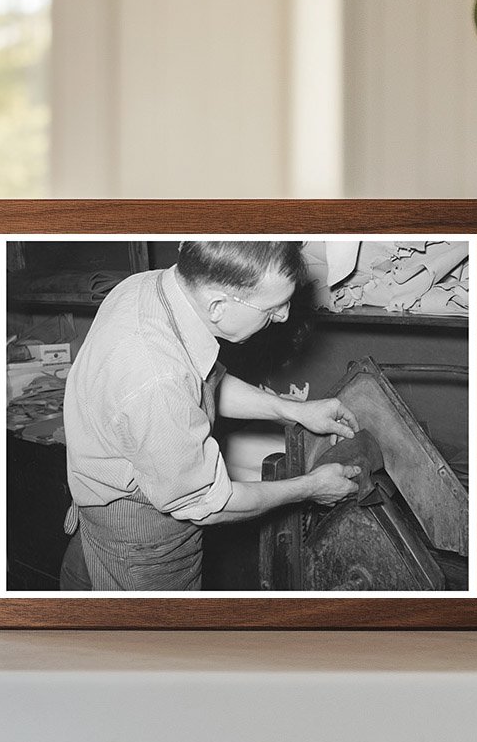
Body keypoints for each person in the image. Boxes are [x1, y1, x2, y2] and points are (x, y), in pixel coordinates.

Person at [59, 240, 362, 591]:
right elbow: (211, 504)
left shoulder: (149, 287)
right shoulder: (157, 378)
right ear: (218, 305)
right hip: (142, 538)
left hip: (101, 510)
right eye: (274, 307)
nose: (283, 316)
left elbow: (199, 382)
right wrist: (311, 488)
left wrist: (295, 411)